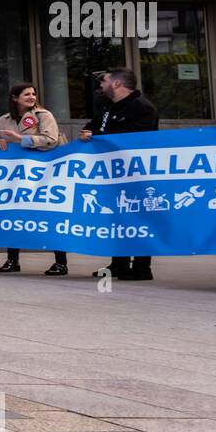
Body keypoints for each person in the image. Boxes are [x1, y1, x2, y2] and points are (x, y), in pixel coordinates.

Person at [80, 69, 160, 281]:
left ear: (116, 84)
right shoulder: (107, 105)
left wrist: (97, 136)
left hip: (135, 172)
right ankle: (119, 263)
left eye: (104, 80)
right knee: (117, 217)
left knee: (138, 216)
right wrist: (88, 131)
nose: (101, 85)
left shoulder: (143, 108)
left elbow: (135, 138)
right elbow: (96, 124)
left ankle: (143, 267)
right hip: (111, 171)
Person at [0, 83, 68, 276]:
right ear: (15, 98)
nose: (32, 97)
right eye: (27, 94)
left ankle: (61, 262)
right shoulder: (4, 119)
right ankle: (12, 259)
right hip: (15, 175)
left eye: (34, 94)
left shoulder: (44, 116)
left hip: (43, 173)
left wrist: (19, 140)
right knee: (12, 215)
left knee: (49, 215)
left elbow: (50, 140)